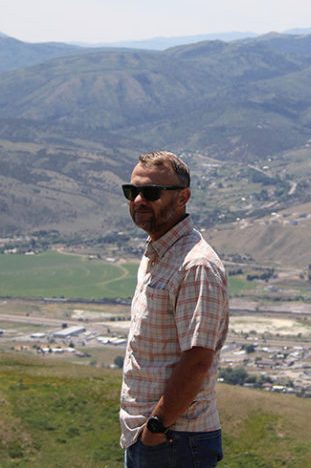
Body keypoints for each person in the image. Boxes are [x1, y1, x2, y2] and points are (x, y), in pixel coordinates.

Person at [119, 151, 229, 468]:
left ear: (183, 198)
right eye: (132, 191)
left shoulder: (195, 266)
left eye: (151, 193)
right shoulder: (159, 254)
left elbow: (197, 360)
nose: (139, 199)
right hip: (150, 434)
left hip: (175, 439)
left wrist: (157, 427)